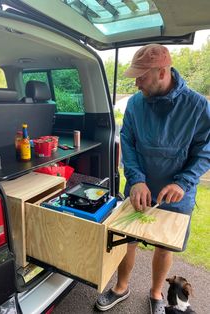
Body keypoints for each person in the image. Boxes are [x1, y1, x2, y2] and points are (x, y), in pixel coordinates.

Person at [95, 44, 210, 313]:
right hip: (139, 187)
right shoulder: (135, 104)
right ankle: (121, 287)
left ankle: (157, 293)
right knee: (127, 239)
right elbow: (129, 143)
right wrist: (135, 179)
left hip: (177, 193)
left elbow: (205, 151)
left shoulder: (197, 106)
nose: (136, 84)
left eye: (141, 77)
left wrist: (183, 182)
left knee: (163, 245)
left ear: (161, 72)